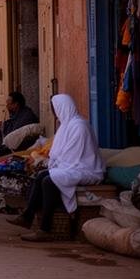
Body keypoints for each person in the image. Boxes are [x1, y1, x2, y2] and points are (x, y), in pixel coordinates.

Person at [8, 94, 106, 242]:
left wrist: (57, 165)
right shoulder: (66, 126)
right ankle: (27, 217)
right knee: (42, 175)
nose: (54, 113)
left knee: (49, 180)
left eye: (55, 109)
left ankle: (45, 229)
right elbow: (59, 153)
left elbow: (75, 156)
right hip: (72, 166)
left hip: (86, 169)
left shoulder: (79, 126)